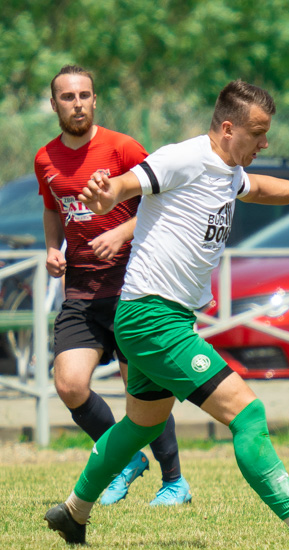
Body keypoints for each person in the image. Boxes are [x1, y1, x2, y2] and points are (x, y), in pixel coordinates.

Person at [44, 80, 289, 547]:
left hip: (153, 316)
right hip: (153, 318)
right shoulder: (186, 156)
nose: (264, 142)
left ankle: (74, 512)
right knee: (248, 414)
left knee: (141, 425)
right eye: (257, 133)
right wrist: (106, 193)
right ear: (227, 127)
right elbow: (128, 183)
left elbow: (256, 189)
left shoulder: (228, 168)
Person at [35, 65, 191, 506]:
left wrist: (120, 233)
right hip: (81, 291)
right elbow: (53, 208)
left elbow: (165, 207)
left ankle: (174, 481)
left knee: (142, 390)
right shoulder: (45, 158)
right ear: (54, 104)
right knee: (69, 384)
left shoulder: (123, 148)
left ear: (95, 99)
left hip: (132, 287)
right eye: (68, 97)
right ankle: (125, 460)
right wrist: (53, 248)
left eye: (85, 94)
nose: (77, 103)